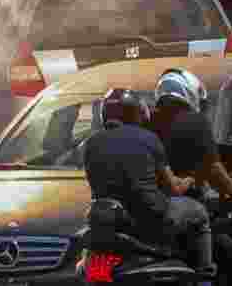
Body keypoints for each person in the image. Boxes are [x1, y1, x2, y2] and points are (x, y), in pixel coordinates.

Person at [83, 88, 216, 279]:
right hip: (152, 218)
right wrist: (192, 179)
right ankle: (205, 276)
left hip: (110, 222)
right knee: (200, 214)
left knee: (90, 271)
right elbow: (175, 188)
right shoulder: (148, 139)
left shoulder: (91, 143)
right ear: (138, 112)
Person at [150, 69, 232, 286]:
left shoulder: (147, 123)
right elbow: (214, 170)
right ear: (190, 94)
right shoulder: (194, 121)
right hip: (179, 220)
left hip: (148, 220)